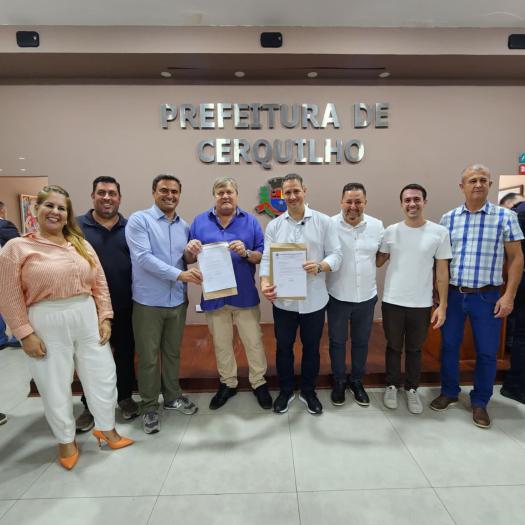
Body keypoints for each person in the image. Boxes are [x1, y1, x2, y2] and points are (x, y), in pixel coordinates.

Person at [0, 185, 133, 470]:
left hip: (85, 314)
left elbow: (99, 283)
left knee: (104, 375)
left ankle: (106, 429)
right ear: (36, 209)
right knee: (54, 383)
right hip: (45, 318)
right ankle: (65, 440)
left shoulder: (80, 244)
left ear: (68, 214)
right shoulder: (17, 247)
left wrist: (105, 316)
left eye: (62, 208)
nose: (55, 212)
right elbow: (8, 294)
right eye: (49, 206)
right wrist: (24, 333)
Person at [431, 165, 524, 428]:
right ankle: (449, 391)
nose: (478, 184)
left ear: (490, 185)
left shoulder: (505, 217)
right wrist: (439, 298)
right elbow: (441, 262)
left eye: (483, 180)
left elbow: (517, 259)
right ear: (462, 186)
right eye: (472, 180)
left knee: (486, 351)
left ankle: (480, 401)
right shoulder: (448, 218)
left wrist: (509, 296)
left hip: (487, 296)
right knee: (449, 346)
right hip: (454, 295)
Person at [185, 177, 272, 410]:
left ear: (236, 195)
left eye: (229, 192)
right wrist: (190, 250)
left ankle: (258, 382)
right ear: (214, 196)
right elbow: (189, 258)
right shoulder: (199, 222)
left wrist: (246, 253)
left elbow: (261, 256)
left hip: (244, 295)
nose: (225, 196)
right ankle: (228, 383)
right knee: (221, 344)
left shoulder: (251, 221)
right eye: (220, 192)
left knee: (253, 342)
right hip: (214, 296)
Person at [260, 173, 342, 415]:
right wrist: (265, 282)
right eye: (287, 192)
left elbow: (337, 255)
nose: (292, 196)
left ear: (305, 191)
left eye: (296, 191)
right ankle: (286, 391)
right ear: (282, 195)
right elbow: (267, 259)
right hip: (283, 302)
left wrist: (320, 266)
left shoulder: (324, 221)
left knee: (312, 348)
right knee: (283, 348)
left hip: (314, 301)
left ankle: (308, 391)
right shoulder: (274, 225)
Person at [126, 174, 201, 434]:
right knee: (148, 357)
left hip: (177, 301)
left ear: (180, 194)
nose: (169, 195)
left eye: (174, 191)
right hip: (148, 302)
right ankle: (148, 406)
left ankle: (172, 397)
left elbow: (185, 260)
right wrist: (180, 275)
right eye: (164, 190)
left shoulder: (185, 226)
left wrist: (191, 254)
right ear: (153, 192)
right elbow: (143, 258)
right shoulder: (139, 220)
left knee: (172, 353)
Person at [377, 184, 451, 414]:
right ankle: (391, 385)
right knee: (393, 346)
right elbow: (378, 261)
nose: (412, 204)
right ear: (401, 204)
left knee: (415, 349)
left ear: (424, 202)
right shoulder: (390, 231)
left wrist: (442, 305)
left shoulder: (439, 232)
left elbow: (442, 271)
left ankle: (411, 388)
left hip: (421, 302)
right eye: (407, 200)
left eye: (416, 199)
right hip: (393, 300)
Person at [75, 176, 138, 432]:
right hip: (88, 307)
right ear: (93, 196)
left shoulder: (130, 227)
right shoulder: (76, 227)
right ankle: (89, 406)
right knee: (91, 359)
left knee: (125, 355)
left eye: (112, 193)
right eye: (102, 193)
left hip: (125, 304)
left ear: (119, 198)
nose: (107, 197)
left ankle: (125, 398)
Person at [326, 183, 384, 406]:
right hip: (338, 296)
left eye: (358, 201)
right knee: (337, 342)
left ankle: (357, 381)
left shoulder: (377, 226)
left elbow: (379, 258)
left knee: (361, 342)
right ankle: (339, 381)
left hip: (366, 297)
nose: (353, 206)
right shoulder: (329, 225)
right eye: (348, 201)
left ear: (365, 203)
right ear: (341, 202)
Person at [501, 198, 525, 404]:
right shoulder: (520, 215)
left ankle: (515, 385)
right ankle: (515, 385)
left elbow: (516, 256)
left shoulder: (513, 216)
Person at [0, 201, 22, 350]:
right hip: (6, 272)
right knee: (15, 301)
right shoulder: (4, 225)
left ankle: (1, 339)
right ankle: (18, 336)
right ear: (2, 211)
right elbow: (18, 246)